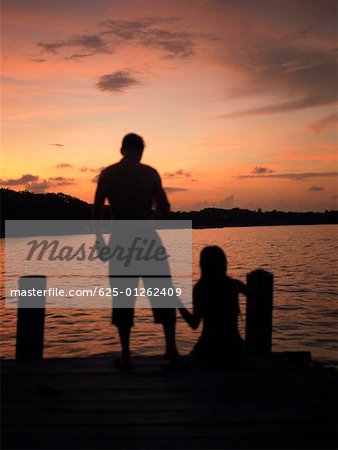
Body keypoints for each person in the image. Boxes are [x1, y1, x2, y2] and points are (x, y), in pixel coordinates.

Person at [93, 133, 179, 368]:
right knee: (163, 294)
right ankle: (171, 349)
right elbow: (165, 209)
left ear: (122, 150)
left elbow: (97, 209)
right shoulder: (150, 173)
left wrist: (100, 240)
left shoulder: (108, 174)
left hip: (120, 241)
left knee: (122, 297)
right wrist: (149, 203)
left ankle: (126, 354)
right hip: (148, 239)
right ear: (141, 151)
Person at [179, 246, 247, 368]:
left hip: (208, 347)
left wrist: (178, 304)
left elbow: (194, 324)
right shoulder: (234, 285)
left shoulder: (200, 288)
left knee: (184, 364)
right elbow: (256, 295)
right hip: (234, 349)